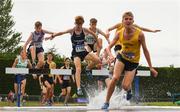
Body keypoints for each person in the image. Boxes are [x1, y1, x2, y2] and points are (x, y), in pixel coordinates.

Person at [101, 11, 158, 109]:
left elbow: (145, 50)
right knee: (114, 78)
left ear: (133, 21)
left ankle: (128, 90)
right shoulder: (119, 33)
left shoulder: (140, 34)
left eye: (130, 19)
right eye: (126, 19)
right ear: (122, 21)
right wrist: (110, 56)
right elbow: (108, 47)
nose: (128, 21)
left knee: (125, 86)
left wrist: (151, 67)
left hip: (133, 62)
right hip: (122, 58)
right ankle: (106, 102)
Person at [45, 16, 101, 96]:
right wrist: (52, 36)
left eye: (80, 25)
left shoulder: (85, 30)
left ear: (82, 24)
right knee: (78, 68)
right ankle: (78, 88)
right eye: (77, 25)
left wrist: (98, 43)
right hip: (76, 53)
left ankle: (88, 68)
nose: (79, 27)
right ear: (75, 24)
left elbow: (94, 35)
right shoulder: (72, 30)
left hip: (83, 52)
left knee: (98, 60)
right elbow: (61, 32)